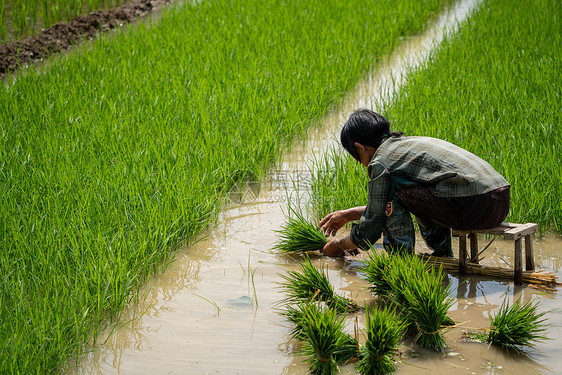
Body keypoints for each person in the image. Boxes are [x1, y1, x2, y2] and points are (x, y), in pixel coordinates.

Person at [319, 109, 510, 257]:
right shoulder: (406, 144)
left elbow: (374, 224)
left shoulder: (381, 162)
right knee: (408, 191)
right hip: (499, 202)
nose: (360, 163)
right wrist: (348, 215)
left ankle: (401, 262)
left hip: (473, 207)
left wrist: (340, 245)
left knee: (397, 195)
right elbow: (388, 207)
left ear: (360, 149)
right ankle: (442, 254)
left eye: (356, 157)